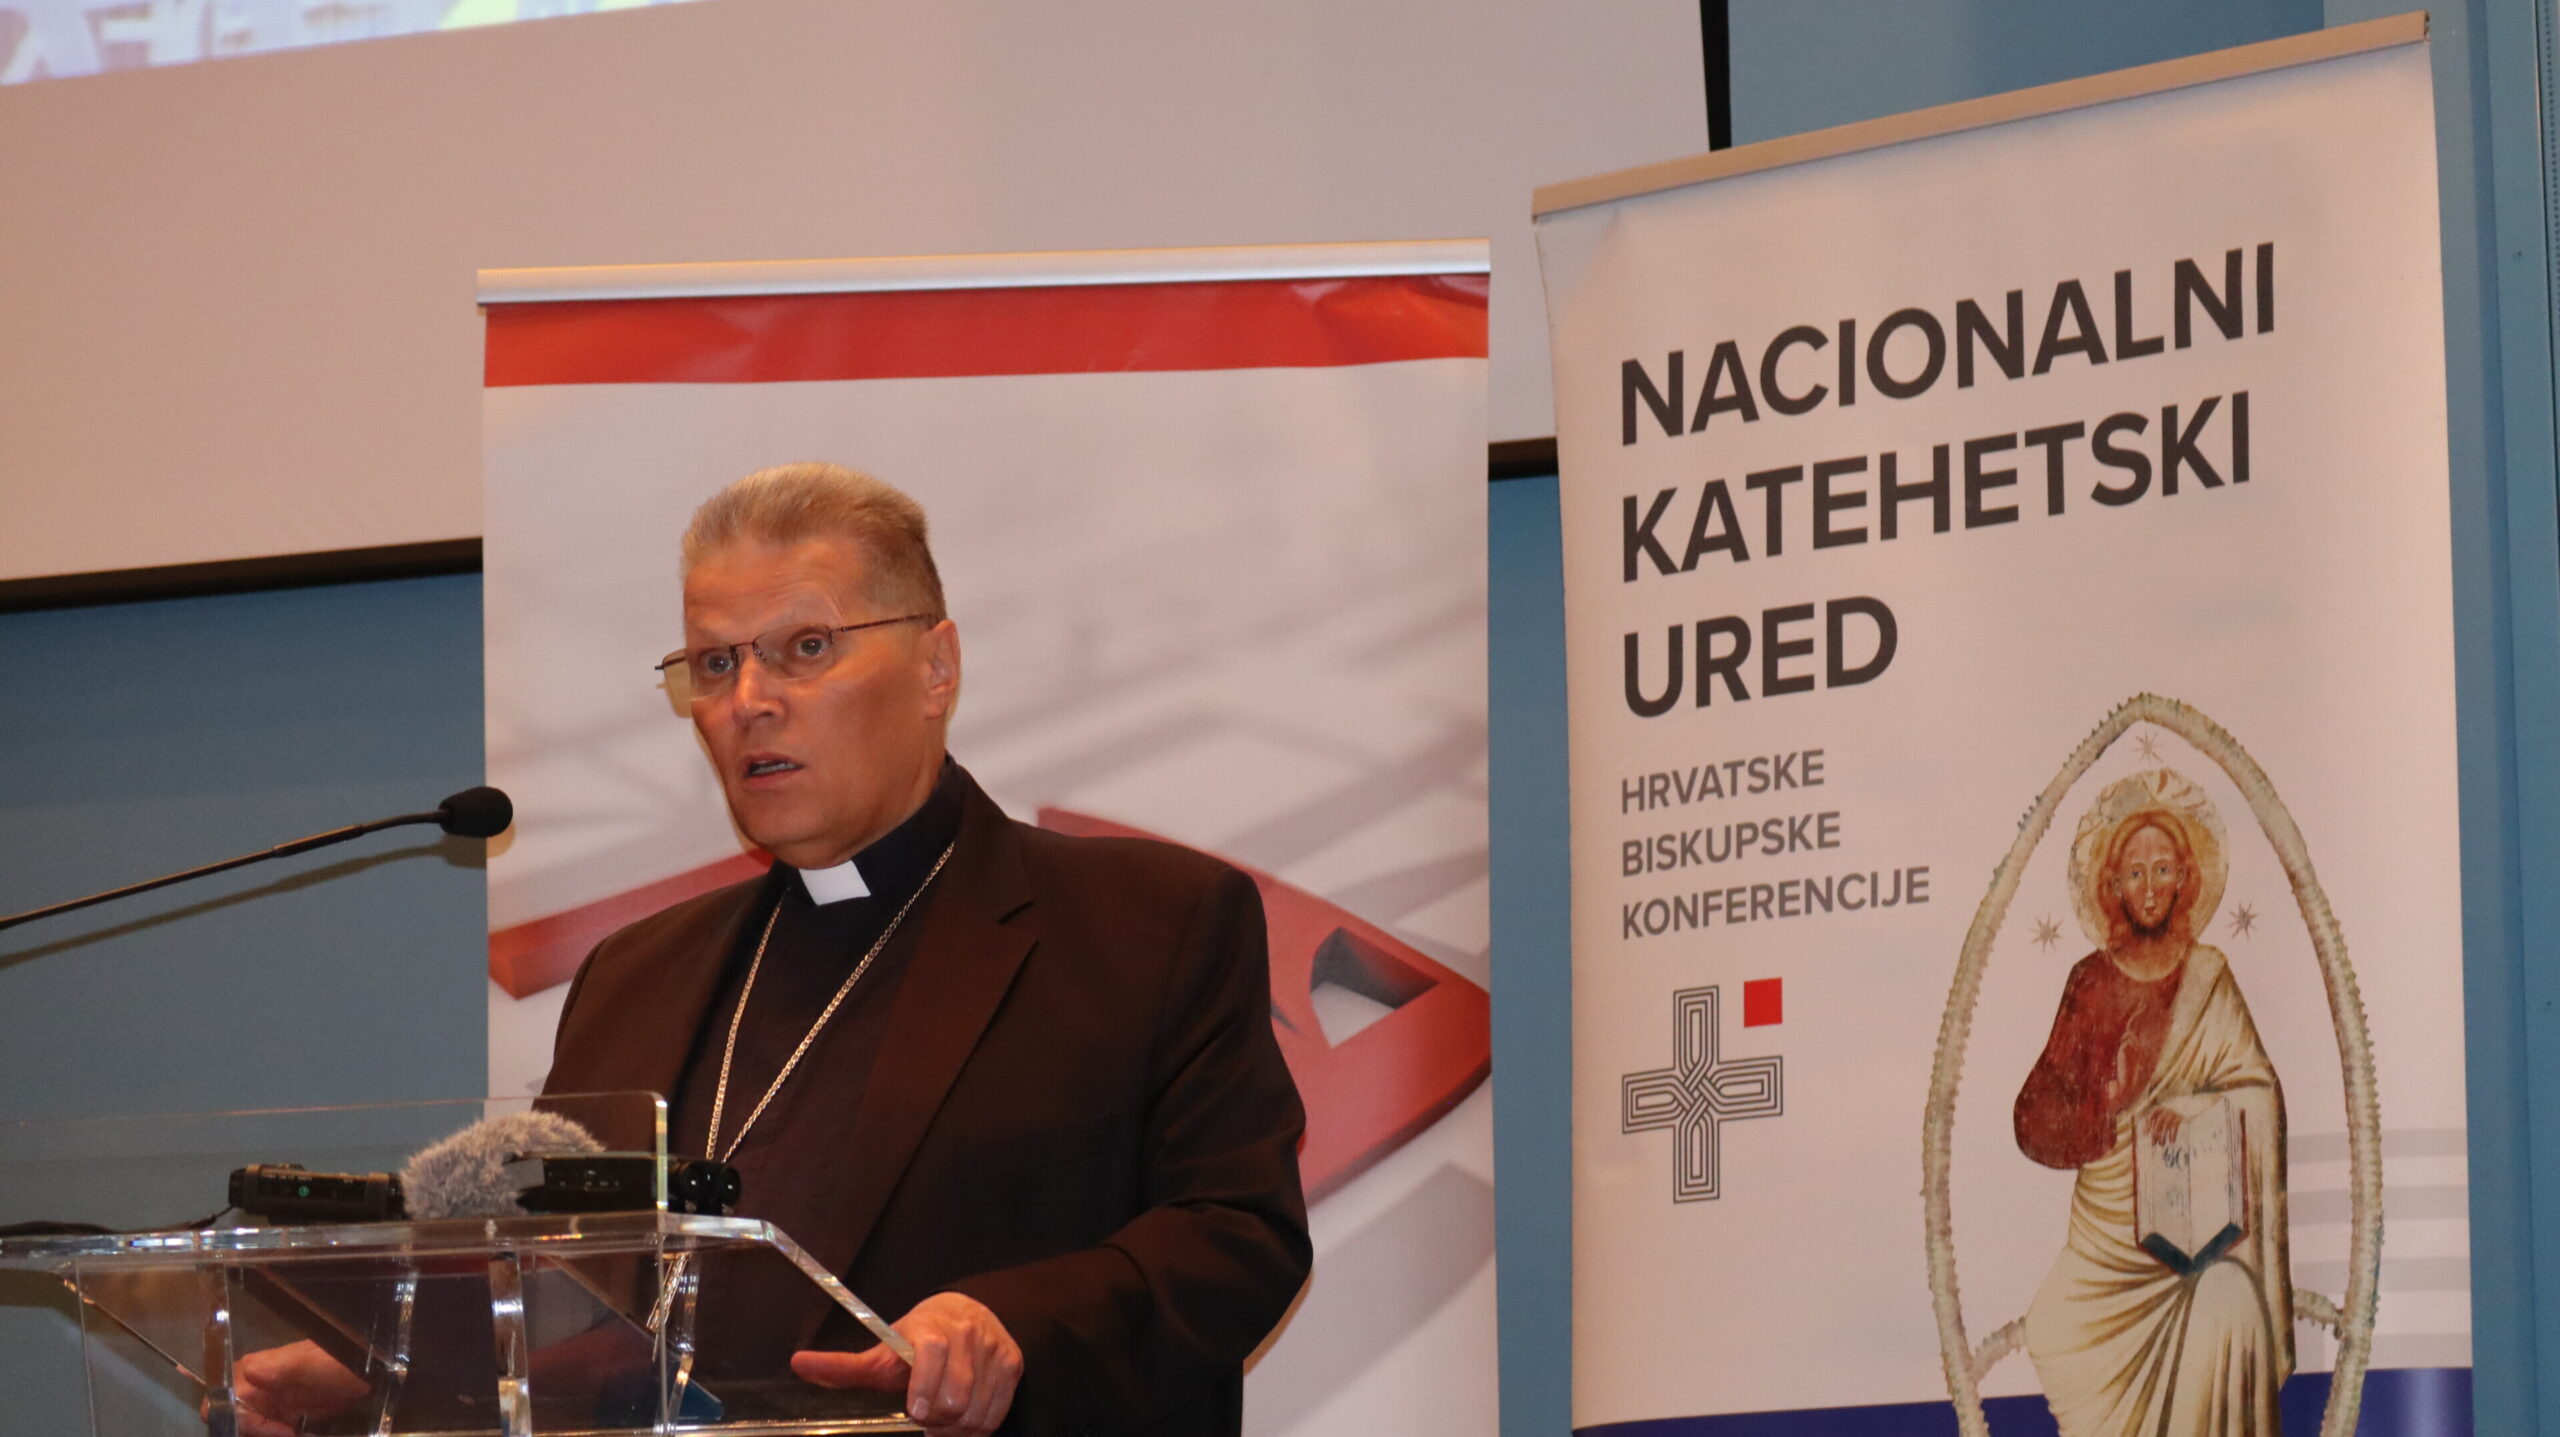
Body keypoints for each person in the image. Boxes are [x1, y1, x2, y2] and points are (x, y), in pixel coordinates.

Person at [223, 462, 1307, 1437]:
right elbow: (572, 1296)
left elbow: (1237, 1237)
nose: (749, 701)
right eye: (714, 663)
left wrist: (1008, 1325)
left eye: (807, 648)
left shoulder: (1143, 923)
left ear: (936, 666)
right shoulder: (635, 977)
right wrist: (387, 1369)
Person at [2012, 766, 2290, 1436]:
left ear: (2185, 878)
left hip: (2196, 1229)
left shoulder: (2209, 978)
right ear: (2111, 886)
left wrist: (2193, 1112)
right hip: (2107, 1240)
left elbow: (2258, 1091)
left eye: (2163, 869)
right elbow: (2034, 1113)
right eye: (2134, 873)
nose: (2149, 886)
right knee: (2050, 1328)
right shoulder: (2089, 982)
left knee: (2231, 1303)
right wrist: (2102, 1116)